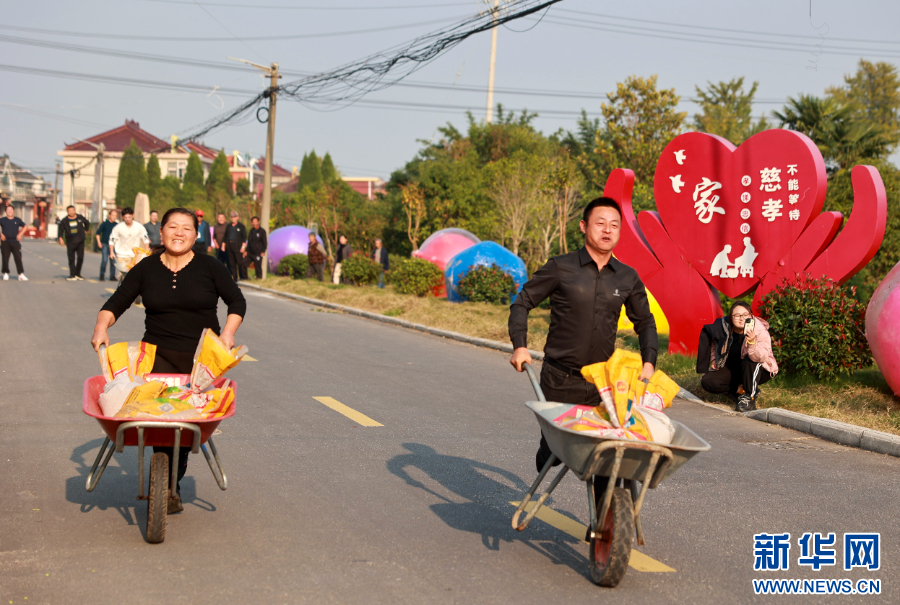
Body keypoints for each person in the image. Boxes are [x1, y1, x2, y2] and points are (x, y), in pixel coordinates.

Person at [508, 197, 658, 522]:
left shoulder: (627, 277)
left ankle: (604, 526)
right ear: (583, 226)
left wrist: (649, 362)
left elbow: (645, 322)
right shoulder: (560, 267)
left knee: (608, 455)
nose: (607, 230)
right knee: (556, 453)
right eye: (600, 223)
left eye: (614, 225)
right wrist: (520, 346)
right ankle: (549, 446)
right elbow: (522, 303)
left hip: (603, 384)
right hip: (559, 379)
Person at [91, 207, 247, 514]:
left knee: (184, 426)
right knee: (162, 421)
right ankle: (166, 486)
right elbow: (116, 303)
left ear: (195, 234)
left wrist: (228, 333)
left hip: (201, 361)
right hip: (157, 358)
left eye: (186, 228)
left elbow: (236, 300)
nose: (179, 233)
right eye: (172, 227)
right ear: (160, 232)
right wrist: (100, 327)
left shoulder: (210, 266)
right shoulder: (146, 268)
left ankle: (169, 483)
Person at [697, 301, 778, 412]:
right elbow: (714, 342)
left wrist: (752, 342)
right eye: (737, 315)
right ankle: (740, 392)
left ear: (751, 315)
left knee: (750, 359)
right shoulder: (724, 327)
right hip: (735, 368)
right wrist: (714, 359)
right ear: (731, 317)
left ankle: (749, 397)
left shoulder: (759, 330)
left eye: (745, 315)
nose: (742, 318)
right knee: (708, 382)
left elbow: (761, 357)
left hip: (760, 369)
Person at [109, 207, 150, 288]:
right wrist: (111, 252)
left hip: (134, 255)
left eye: (129, 217)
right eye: (126, 217)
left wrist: (147, 249)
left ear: (132, 216)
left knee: (134, 275)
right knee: (123, 276)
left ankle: (132, 290)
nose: (127, 219)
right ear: (123, 217)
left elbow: (145, 239)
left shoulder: (139, 227)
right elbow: (112, 240)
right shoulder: (118, 227)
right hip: (121, 255)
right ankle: (123, 289)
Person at [57, 205, 91, 281]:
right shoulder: (65, 220)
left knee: (80, 257)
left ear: (75, 210)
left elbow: (87, 223)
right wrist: (60, 238)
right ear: (67, 212)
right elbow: (60, 229)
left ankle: (78, 274)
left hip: (80, 241)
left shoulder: (80, 218)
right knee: (71, 259)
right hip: (70, 241)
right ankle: (72, 275)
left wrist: (85, 230)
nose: (71, 212)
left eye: (73, 210)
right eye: (70, 211)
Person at [0, 205, 28, 281]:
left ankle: (20, 274)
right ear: (5, 211)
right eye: (8, 210)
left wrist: (20, 234)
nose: (9, 211)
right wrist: (0, 234)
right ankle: (6, 273)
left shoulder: (17, 220)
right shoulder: (2, 220)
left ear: (13, 211)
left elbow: (25, 226)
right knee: (5, 258)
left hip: (15, 242)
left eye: (11, 210)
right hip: (5, 242)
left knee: (18, 258)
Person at [222, 211, 248, 281]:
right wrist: (223, 245)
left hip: (238, 246)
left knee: (240, 262)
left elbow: (244, 237)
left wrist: (243, 246)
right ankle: (235, 277)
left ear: (238, 217)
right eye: (232, 217)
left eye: (235, 217)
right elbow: (225, 236)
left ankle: (243, 277)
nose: (233, 218)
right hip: (230, 245)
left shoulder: (241, 226)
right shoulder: (228, 226)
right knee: (232, 263)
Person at [95, 209, 119, 281]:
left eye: (115, 216)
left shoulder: (117, 225)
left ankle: (112, 276)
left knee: (113, 262)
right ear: (109, 215)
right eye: (113, 215)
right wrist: (99, 242)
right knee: (104, 260)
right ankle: (102, 275)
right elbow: (98, 233)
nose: (114, 217)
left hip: (114, 245)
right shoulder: (104, 224)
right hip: (105, 244)